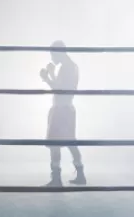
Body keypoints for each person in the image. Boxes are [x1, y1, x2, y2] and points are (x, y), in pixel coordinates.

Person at [40, 40, 86, 187]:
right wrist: (51, 76)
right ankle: (80, 175)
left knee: (55, 144)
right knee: (71, 142)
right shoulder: (72, 66)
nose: (51, 57)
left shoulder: (67, 68)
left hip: (61, 109)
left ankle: (56, 179)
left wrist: (47, 77)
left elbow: (59, 90)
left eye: (52, 53)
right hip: (67, 108)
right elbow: (62, 88)